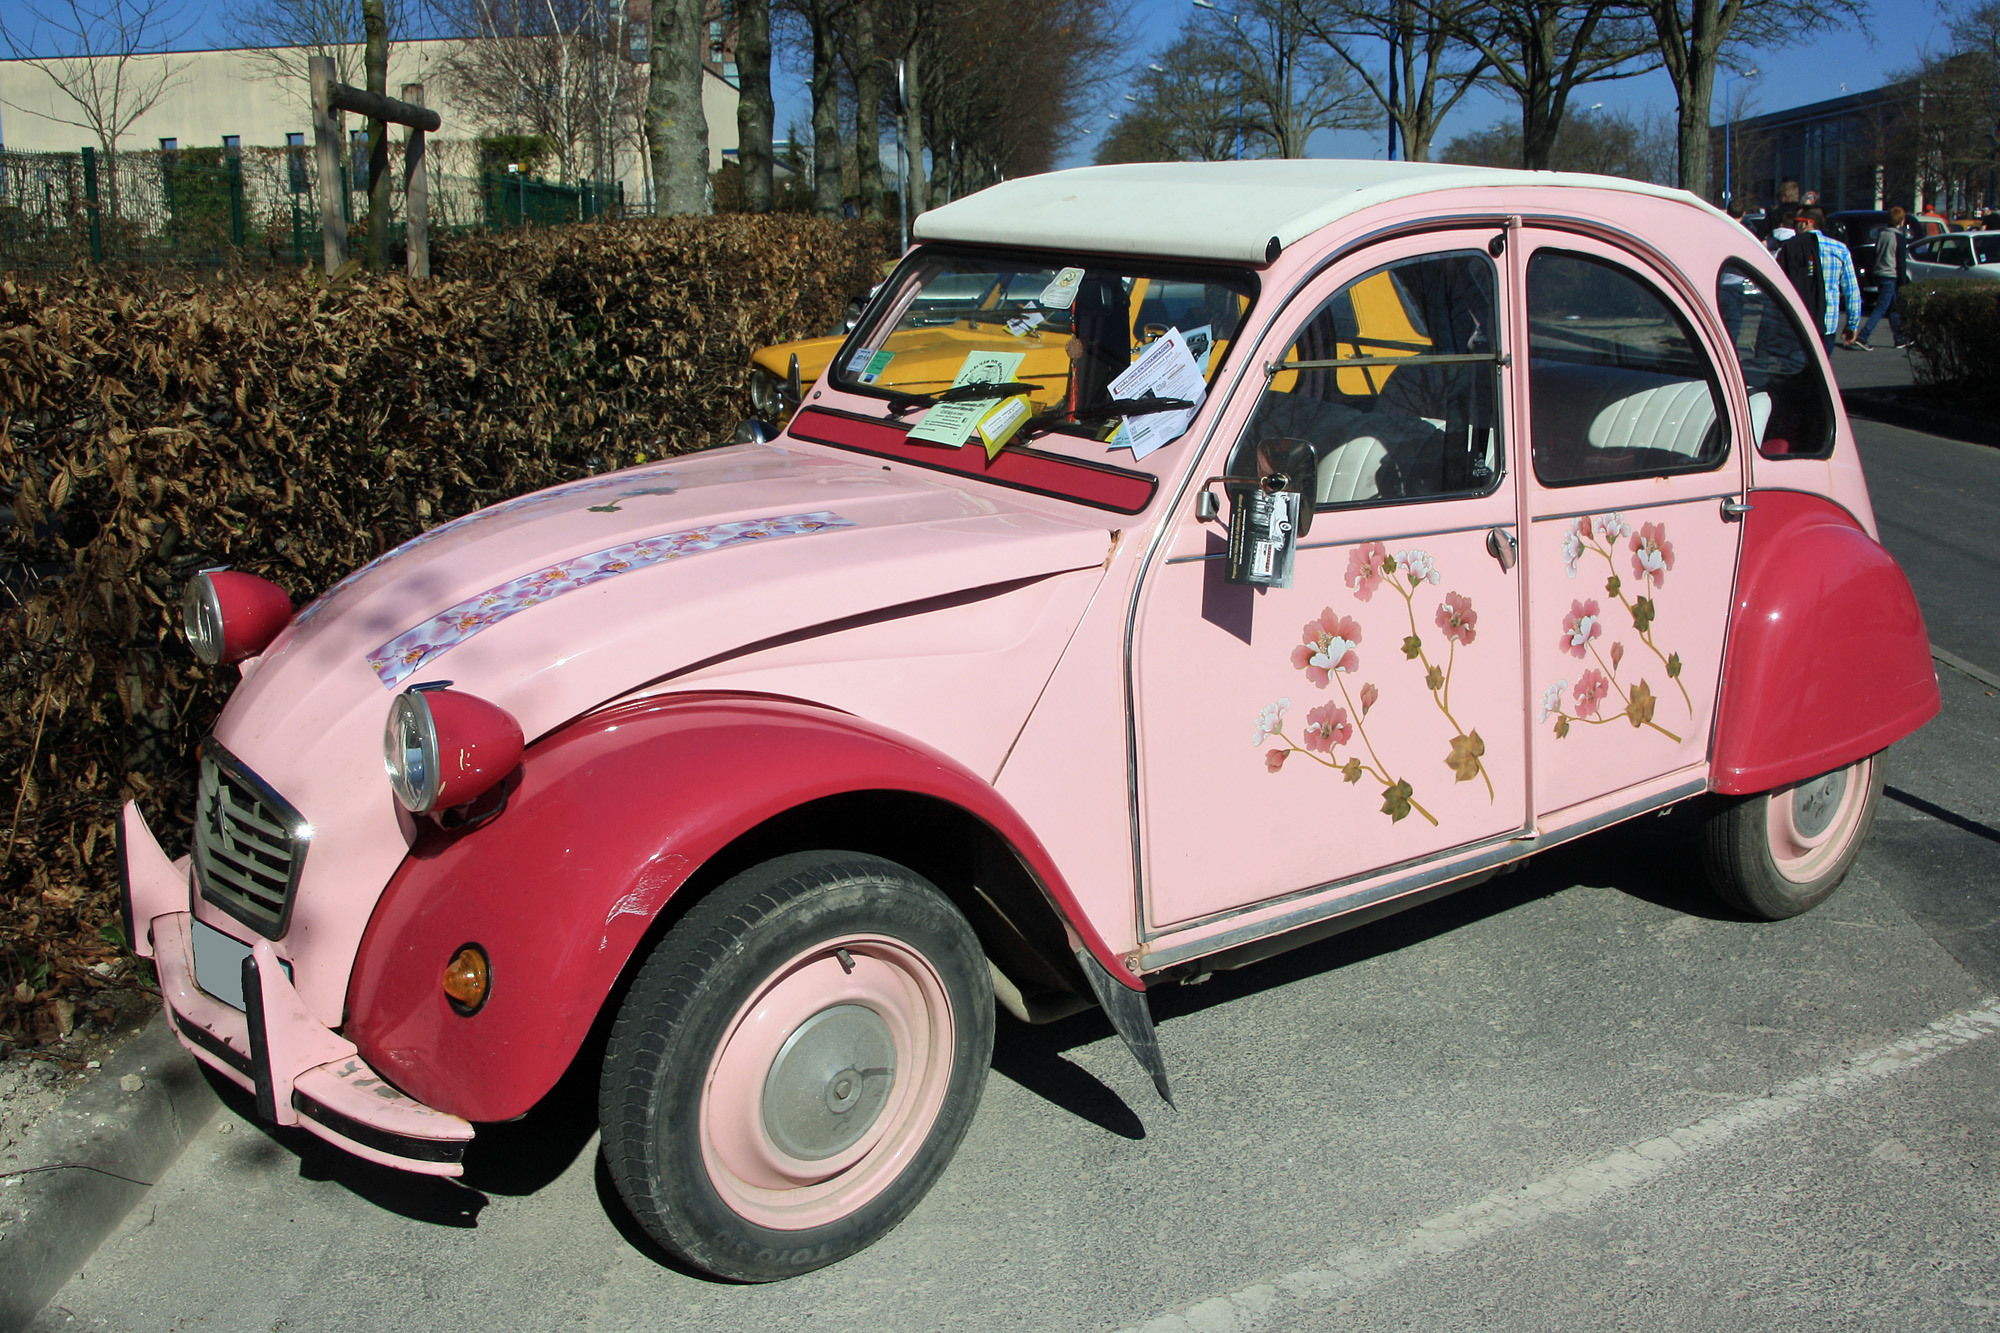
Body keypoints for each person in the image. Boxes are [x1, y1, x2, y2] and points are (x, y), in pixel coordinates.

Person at [1777, 207, 1862, 353]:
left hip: (1797, 321)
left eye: (1797, 222)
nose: (1795, 226)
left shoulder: (1790, 247)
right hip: (1827, 323)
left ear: (1807, 223)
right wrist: (1852, 324)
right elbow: (1852, 291)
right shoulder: (1840, 249)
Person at [1856, 205, 1909, 350]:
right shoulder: (1899, 237)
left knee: (1892, 307)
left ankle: (1900, 338)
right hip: (1891, 274)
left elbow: (1875, 254)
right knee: (1882, 307)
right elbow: (1901, 262)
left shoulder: (1882, 234)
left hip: (1879, 272)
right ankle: (1863, 336)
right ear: (1902, 221)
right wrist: (1902, 282)